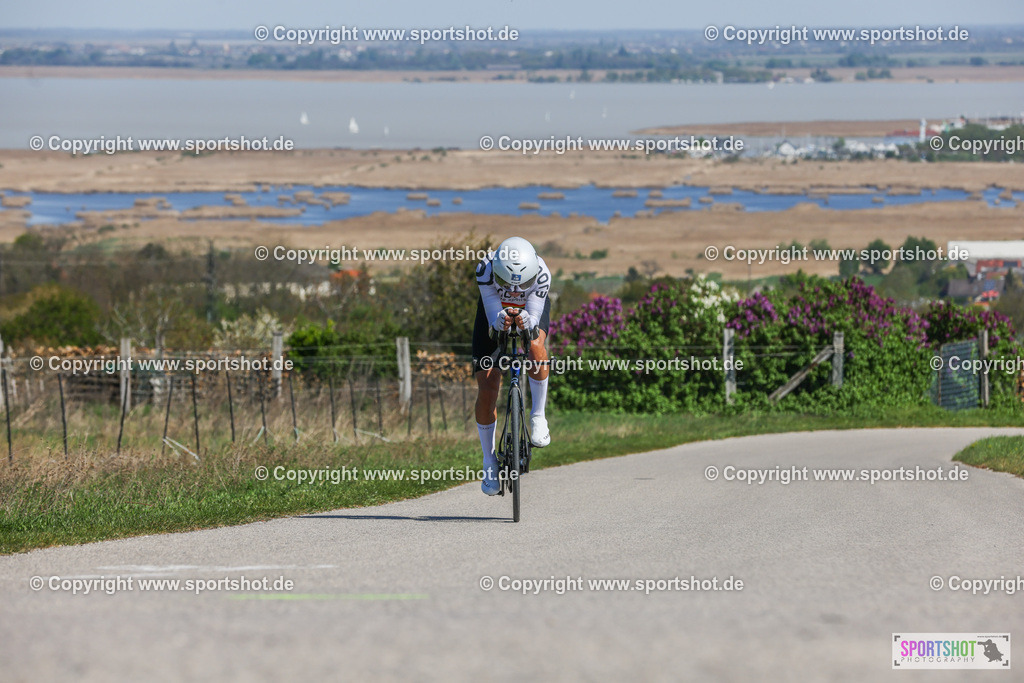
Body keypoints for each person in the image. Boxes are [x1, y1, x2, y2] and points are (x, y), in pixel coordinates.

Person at [472, 236, 551, 495]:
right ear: (497, 272)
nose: (516, 291)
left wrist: (529, 323)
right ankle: (489, 461)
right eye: (508, 284)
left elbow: (535, 315)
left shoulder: (542, 274)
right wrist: (498, 322)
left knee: (537, 346)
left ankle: (538, 415)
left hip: (531, 309)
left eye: (522, 284)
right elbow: (493, 311)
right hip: (493, 309)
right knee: (488, 384)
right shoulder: (485, 269)